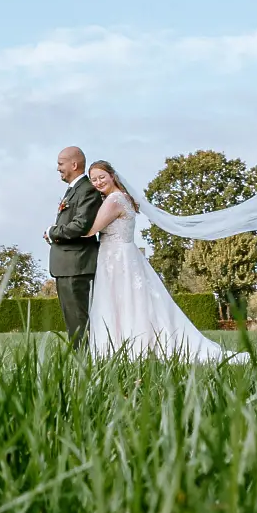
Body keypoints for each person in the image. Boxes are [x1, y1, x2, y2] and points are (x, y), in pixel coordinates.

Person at [82, 160, 227, 362]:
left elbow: (91, 230)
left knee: (123, 301)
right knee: (130, 301)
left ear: (112, 176)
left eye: (101, 177)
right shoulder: (123, 197)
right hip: (122, 255)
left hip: (117, 258)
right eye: (94, 179)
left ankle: (128, 347)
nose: (98, 182)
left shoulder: (114, 199)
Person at [44, 146, 103, 348]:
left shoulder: (87, 190)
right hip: (67, 266)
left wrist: (53, 232)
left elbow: (80, 225)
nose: (58, 168)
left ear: (74, 164)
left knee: (79, 320)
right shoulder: (74, 190)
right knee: (72, 322)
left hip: (76, 265)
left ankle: (83, 362)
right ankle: (79, 361)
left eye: (61, 163)